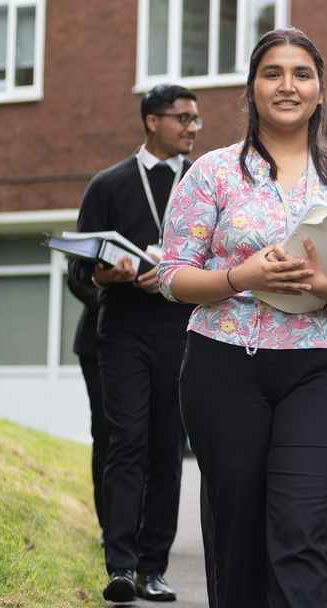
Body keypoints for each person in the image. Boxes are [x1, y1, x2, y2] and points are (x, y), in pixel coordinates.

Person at [158, 27, 327, 608]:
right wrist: (241, 277)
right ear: (252, 89)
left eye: (302, 74)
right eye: (273, 73)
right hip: (224, 365)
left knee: (302, 530)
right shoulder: (212, 172)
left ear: (319, 91)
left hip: (323, 367)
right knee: (237, 536)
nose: (288, 85)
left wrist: (326, 284)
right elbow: (172, 275)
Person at [71, 83, 200, 603]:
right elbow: (80, 272)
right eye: (183, 118)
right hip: (121, 332)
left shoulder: (203, 184)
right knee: (125, 444)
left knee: (167, 450)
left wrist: (174, 275)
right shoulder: (108, 184)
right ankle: (120, 565)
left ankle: (154, 568)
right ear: (152, 121)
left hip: (181, 332)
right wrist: (110, 276)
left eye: (196, 120)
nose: (192, 127)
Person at [65, 264, 107, 539]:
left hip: (148, 339)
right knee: (105, 433)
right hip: (96, 346)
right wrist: (108, 298)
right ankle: (109, 524)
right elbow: (75, 276)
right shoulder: (101, 221)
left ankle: (141, 525)